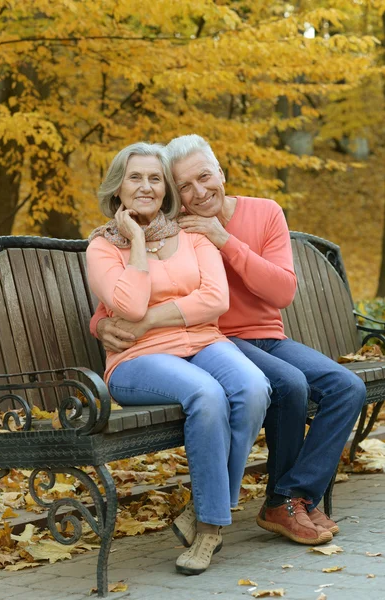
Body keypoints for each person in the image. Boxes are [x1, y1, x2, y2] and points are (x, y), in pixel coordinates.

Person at [91, 134, 367, 549]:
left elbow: (282, 293)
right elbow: (128, 289)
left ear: (221, 172)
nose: (198, 192)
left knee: (348, 388)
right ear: (174, 193)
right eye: (184, 186)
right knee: (288, 385)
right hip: (217, 341)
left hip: (260, 338)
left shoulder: (259, 213)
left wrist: (225, 240)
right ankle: (282, 504)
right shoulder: (176, 223)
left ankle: (292, 495)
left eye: (205, 177)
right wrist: (100, 323)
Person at [86, 141, 272, 576]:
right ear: (118, 189)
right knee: (207, 395)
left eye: (155, 178)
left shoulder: (191, 233)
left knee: (252, 386)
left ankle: (208, 505)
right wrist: (134, 240)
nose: (147, 187)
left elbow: (216, 298)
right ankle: (209, 528)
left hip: (204, 341)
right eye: (136, 178)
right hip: (138, 359)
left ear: (165, 188)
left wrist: (153, 317)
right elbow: (127, 307)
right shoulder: (101, 247)